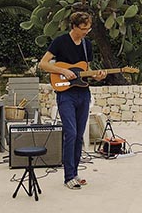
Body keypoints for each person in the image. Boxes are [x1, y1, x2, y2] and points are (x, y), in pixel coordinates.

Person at [39, 11, 106, 190]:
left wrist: (98, 76)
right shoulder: (60, 41)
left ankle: (75, 173)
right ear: (74, 26)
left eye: (88, 28)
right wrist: (62, 71)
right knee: (71, 133)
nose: (86, 32)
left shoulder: (87, 45)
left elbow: (87, 70)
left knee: (79, 136)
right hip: (66, 93)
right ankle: (68, 176)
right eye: (83, 28)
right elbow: (43, 64)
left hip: (83, 93)